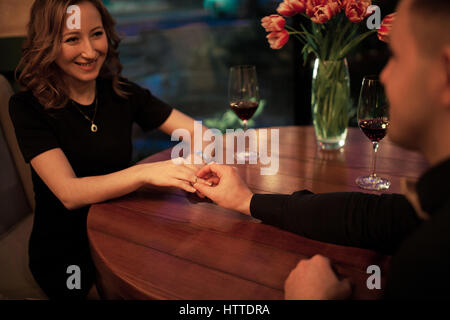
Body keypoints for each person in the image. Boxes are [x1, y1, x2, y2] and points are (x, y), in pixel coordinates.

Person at [193, 0, 450, 299]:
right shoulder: (431, 207)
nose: (385, 76)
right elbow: (374, 217)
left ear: (445, 73)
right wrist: (247, 200)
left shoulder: (430, 263)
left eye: (396, 57)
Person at [9, 0, 208, 299]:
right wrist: (145, 173)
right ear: (48, 43)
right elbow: (69, 193)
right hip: (66, 251)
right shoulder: (28, 107)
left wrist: (193, 169)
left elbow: (200, 133)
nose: (90, 52)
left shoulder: (120, 91)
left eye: (96, 34)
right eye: (72, 39)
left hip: (125, 231)